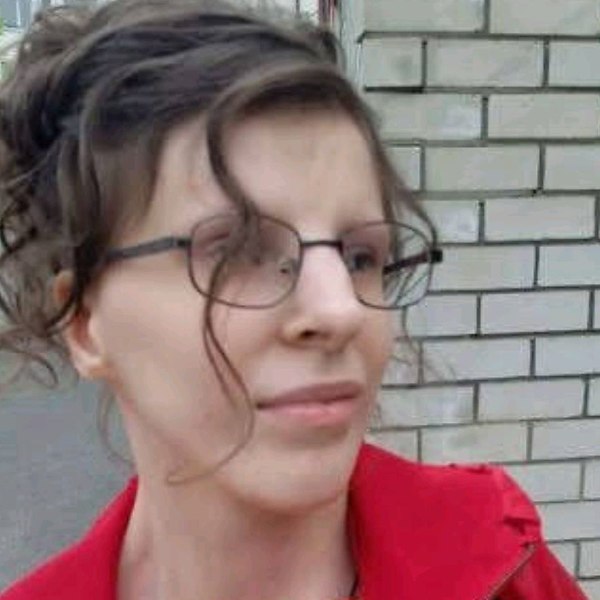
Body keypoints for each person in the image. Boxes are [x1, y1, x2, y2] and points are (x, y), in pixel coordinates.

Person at [0, 1, 588, 599]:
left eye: (360, 257)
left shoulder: (500, 566)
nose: (341, 309)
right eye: (239, 251)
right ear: (86, 322)